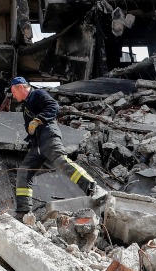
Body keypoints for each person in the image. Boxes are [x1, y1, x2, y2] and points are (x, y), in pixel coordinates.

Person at [10, 76, 106, 217]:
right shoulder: (26, 106)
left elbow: (53, 106)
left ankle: (94, 189)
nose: (13, 95)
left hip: (48, 136)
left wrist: (38, 119)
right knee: (24, 172)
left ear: (20, 87)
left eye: (13, 92)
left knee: (61, 162)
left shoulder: (38, 94)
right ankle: (23, 212)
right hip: (37, 144)